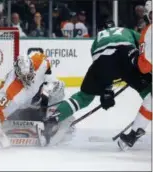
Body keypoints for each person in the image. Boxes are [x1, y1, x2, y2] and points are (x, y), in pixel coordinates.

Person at [44, 19, 152, 146]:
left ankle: (54, 118)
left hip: (102, 61)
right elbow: (145, 46)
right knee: (148, 93)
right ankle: (134, 133)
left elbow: (102, 67)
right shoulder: (125, 31)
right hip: (125, 55)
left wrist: (106, 90)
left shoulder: (96, 40)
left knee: (84, 96)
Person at [0, 52, 74, 149]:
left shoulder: (39, 61)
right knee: (9, 111)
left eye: (29, 75)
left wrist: (50, 81)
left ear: (32, 66)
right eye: (23, 77)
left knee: (59, 87)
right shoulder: (9, 89)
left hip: (36, 99)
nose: (27, 79)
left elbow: (46, 64)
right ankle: (36, 119)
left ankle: (51, 119)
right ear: (17, 72)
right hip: (21, 107)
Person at [118, 0, 152, 150]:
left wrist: (136, 60)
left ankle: (133, 135)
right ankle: (133, 135)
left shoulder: (149, 31)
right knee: (150, 101)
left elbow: (145, 67)